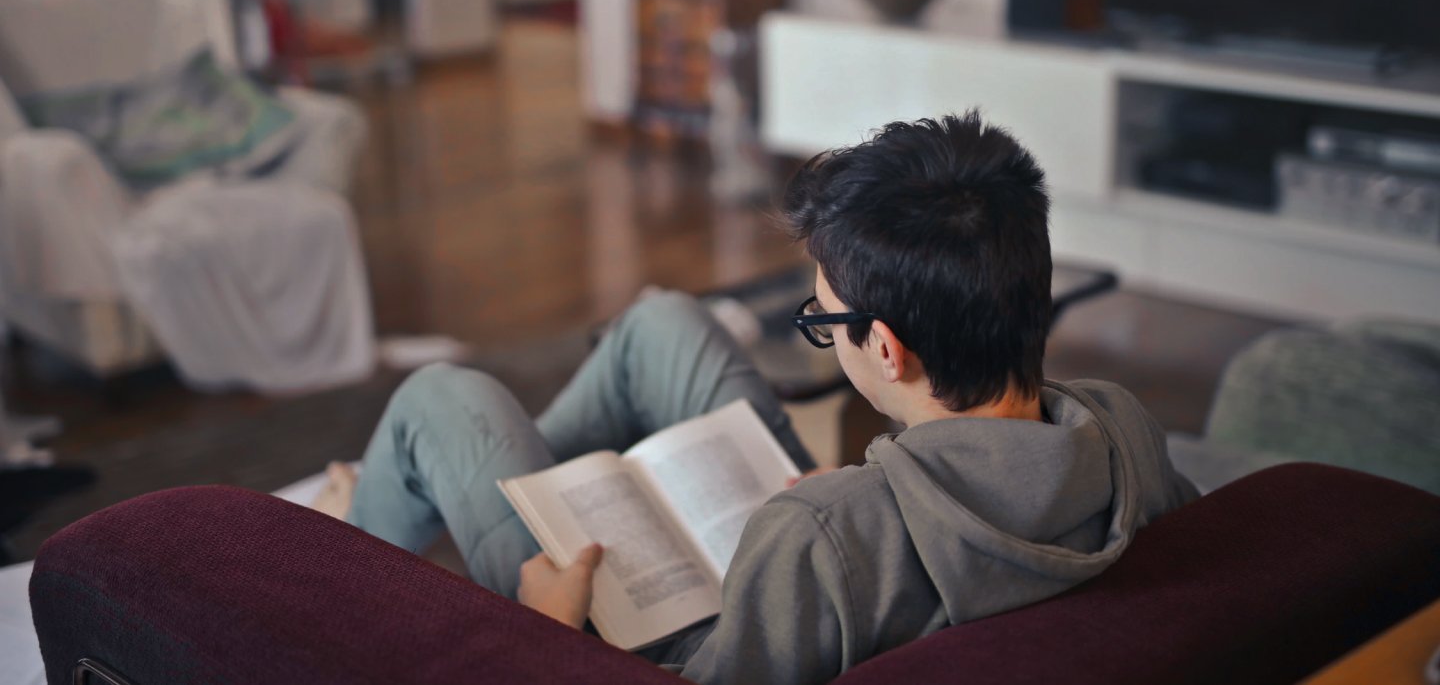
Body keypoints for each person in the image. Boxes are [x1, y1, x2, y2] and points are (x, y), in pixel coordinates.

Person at [315, 111, 1199, 684]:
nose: (816, 315)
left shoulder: (816, 535)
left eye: (823, 314)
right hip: (847, 545)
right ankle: (500, 483)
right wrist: (853, 502)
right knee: (663, 325)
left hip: (651, 634)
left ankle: (344, 554)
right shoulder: (1120, 429)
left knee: (445, 398)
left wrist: (548, 633)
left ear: (885, 350)